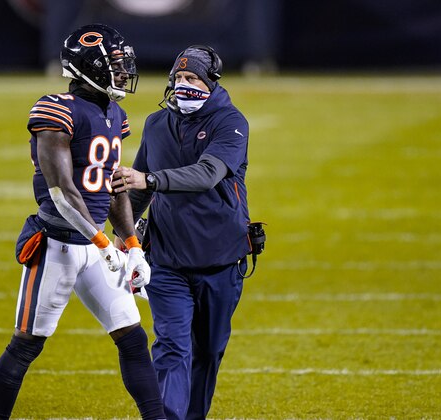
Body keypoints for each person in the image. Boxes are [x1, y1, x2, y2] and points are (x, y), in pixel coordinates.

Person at [0, 24, 165, 420]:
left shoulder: (114, 113)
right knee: (26, 345)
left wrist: (131, 244)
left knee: (133, 339)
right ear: (89, 67)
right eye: (115, 65)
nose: (123, 73)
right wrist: (103, 244)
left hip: (95, 246)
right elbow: (63, 194)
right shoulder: (57, 109)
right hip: (58, 243)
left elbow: (114, 185)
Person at [111, 46, 251, 420]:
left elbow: (207, 174)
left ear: (210, 83)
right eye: (178, 78)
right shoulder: (158, 125)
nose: (183, 85)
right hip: (167, 260)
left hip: (221, 259)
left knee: (208, 351)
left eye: (193, 79)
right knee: (172, 346)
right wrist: (121, 237)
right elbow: (137, 190)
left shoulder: (231, 123)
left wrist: (151, 179)